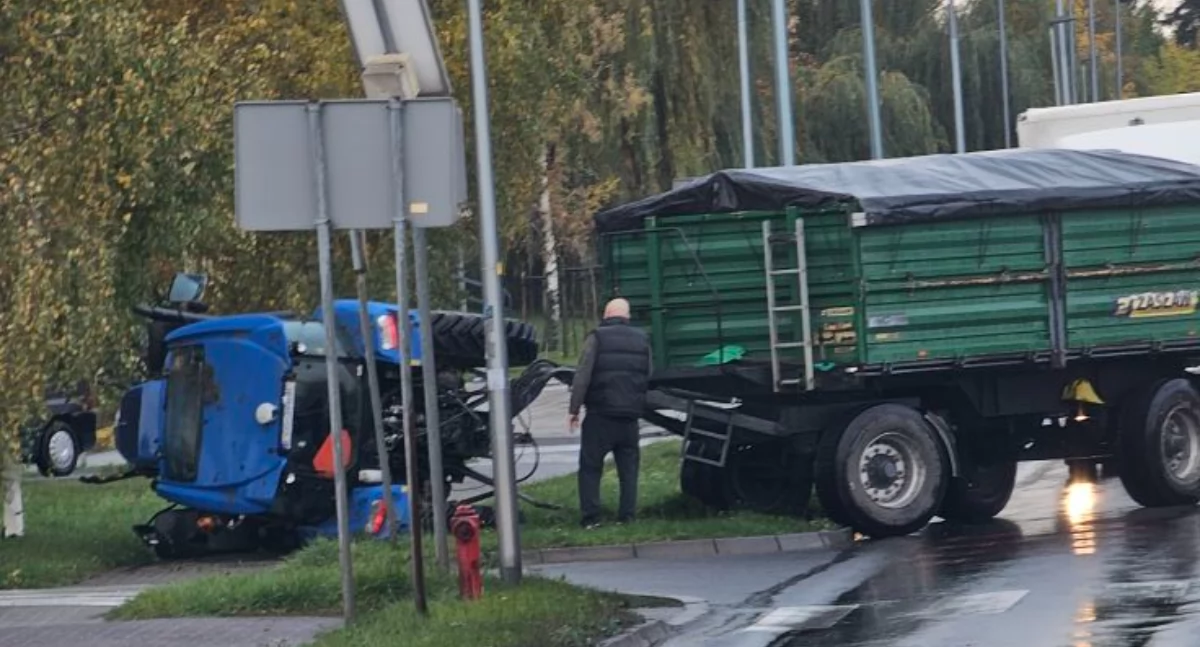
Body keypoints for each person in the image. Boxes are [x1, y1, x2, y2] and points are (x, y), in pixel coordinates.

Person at [568, 297, 653, 529]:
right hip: (630, 417)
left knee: (590, 467)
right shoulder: (642, 339)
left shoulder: (597, 337)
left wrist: (574, 409)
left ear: (606, 315)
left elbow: (583, 375)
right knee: (628, 470)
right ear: (628, 316)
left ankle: (591, 518)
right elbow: (648, 374)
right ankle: (627, 517)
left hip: (600, 414)